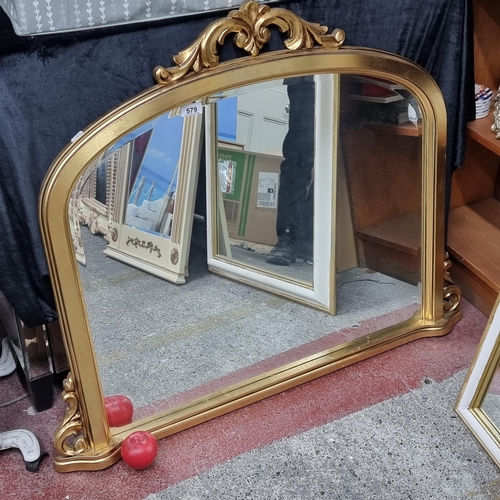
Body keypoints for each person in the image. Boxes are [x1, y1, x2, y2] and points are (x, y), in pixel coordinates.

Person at [266, 77, 315, 266]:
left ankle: (308, 238)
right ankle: (288, 236)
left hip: (347, 77)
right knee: (298, 159)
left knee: (337, 163)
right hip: (306, 76)